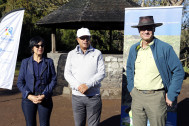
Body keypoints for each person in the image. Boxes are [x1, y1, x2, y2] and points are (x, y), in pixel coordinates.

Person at [126, 16, 185, 126]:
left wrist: (171, 94)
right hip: (137, 97)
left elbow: (178, 71)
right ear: (139, 31)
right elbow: (129, 69)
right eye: (143, 29)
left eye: (149, 28)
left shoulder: (165, 48)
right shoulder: (134, 49)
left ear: (154, 29)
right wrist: (131, 88)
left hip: (156, 98)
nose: (146, 31)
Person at [64, 28, 105, 126]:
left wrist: (88, 85)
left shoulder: (97, 53)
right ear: (77, 39)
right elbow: (67, 73)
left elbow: (101, 73)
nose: (85, 40)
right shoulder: (71, 54)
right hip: (77, 97)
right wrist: (78, 86)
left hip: (93, 96)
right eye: (82, 38)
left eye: (87, 37)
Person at [17, 36, 57, 126]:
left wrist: (44, 94)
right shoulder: (25, 62)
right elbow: (20, 82)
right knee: (30, 124)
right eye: (37, 46)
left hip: (45, 98)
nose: (40, 48)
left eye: (42, 46)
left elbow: (53, 80)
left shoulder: (49, 62)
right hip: (28, 99)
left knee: (44, 124)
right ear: (32, 48)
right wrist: (29, 96)